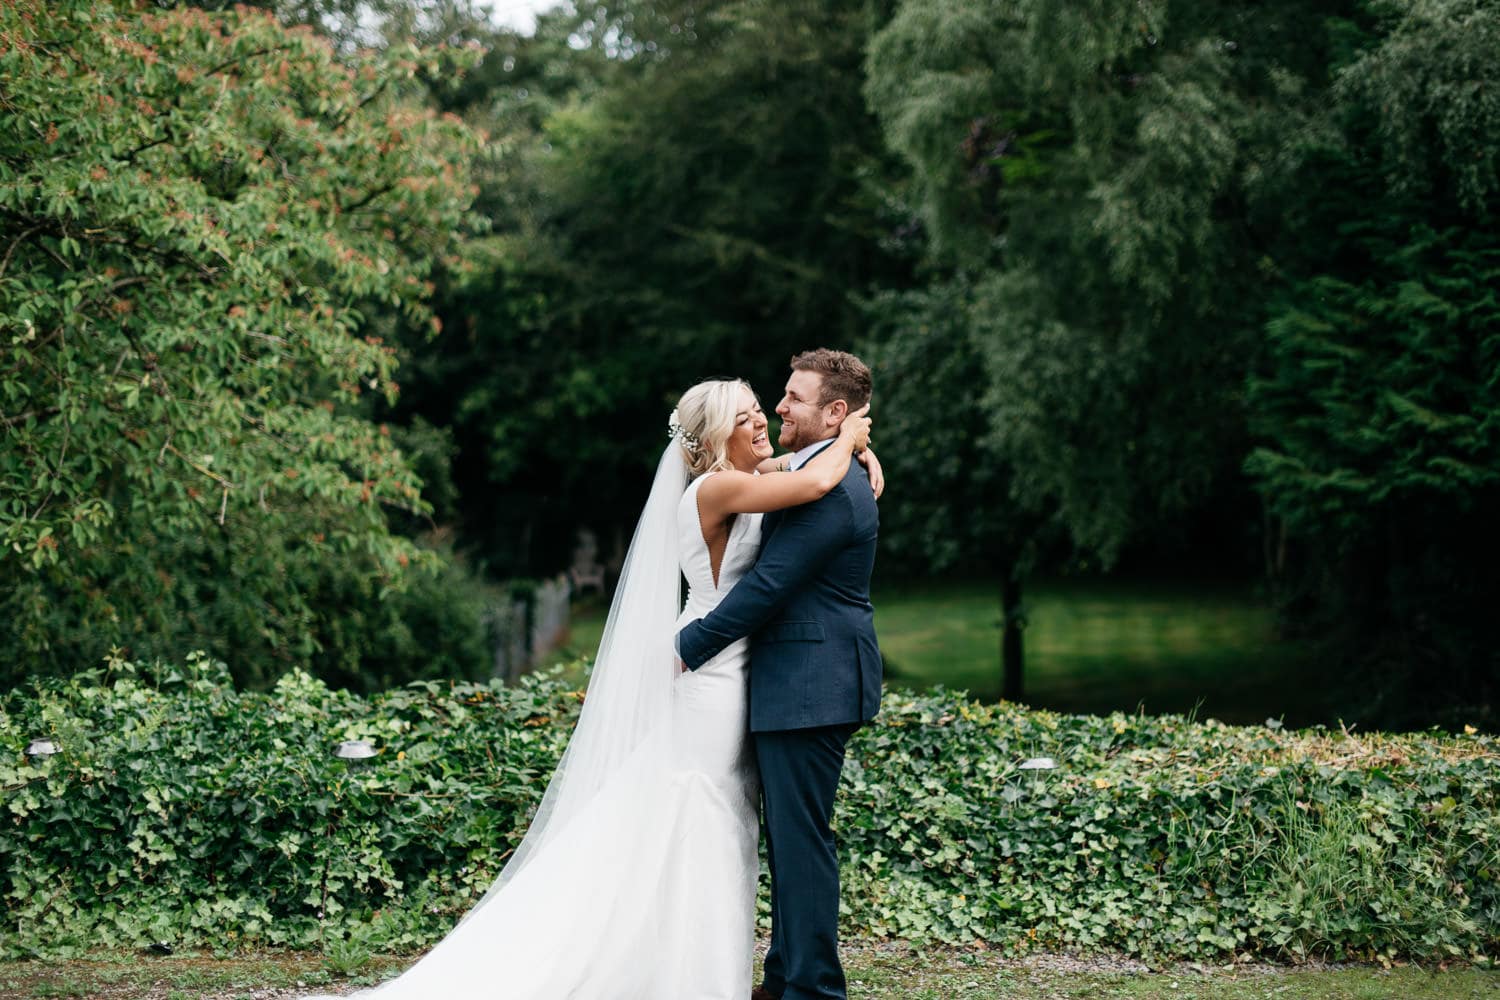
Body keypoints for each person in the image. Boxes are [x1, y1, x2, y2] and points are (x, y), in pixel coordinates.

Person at [301, 374, 876, 999]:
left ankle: (706, 965)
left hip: (735, 670)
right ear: (715, 437)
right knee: (702, 813)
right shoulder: (721, 487)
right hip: (711, 670)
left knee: (717, 813)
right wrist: (849, 437)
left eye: (764, 409)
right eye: (747, 418)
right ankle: (684, 970)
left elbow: (802, 469)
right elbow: (814, 480)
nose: (764, 419)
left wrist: (852, 451)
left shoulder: (742, 480)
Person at [678, 349, 882, 1000]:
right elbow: (789, 471)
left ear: (836, 412)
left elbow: (768, 583)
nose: (780, 406)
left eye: (793, 397)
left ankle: (814, 990)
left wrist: (688, 645)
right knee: (791, 844)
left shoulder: (834, 485)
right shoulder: (817, 464)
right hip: (795, 683)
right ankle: (783, 978)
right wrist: (857, 447)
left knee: (801, 847)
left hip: (809, 685)